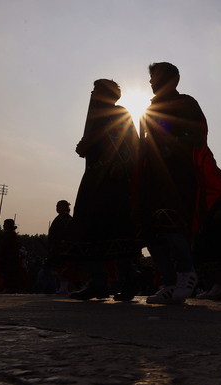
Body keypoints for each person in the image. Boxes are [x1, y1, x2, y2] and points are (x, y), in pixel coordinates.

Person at [138, 62, 208, 304]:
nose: (150, 82)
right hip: (154, 174)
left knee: (171, 222)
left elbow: (197, 135)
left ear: (174, 78)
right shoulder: (148, 109)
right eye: (150, 78)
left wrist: (171, 144)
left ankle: (186, 273)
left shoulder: (186, 103)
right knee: (150, 228)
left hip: (177, 173)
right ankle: (168, 281)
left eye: (155, 76)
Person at [68, 79, 142, 301]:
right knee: (85, 228)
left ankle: (130, 279)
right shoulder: (95, 119)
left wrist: (124, 164)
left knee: (117, 229)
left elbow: (131, 144)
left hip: (115, 179)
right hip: (94, 178)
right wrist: (84, 146)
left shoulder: (119, 113)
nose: (93, 93)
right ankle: (98, 282)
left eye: (97, 89)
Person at [0, 219, 32, 293]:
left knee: (9, 273)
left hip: (10, 257)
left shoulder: (11, 234)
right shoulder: (6, 234)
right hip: (4, 256)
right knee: (2, 271)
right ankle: (7, 286)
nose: (4, 225)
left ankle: (8, 287)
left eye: (5, 224)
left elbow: (10, 246)